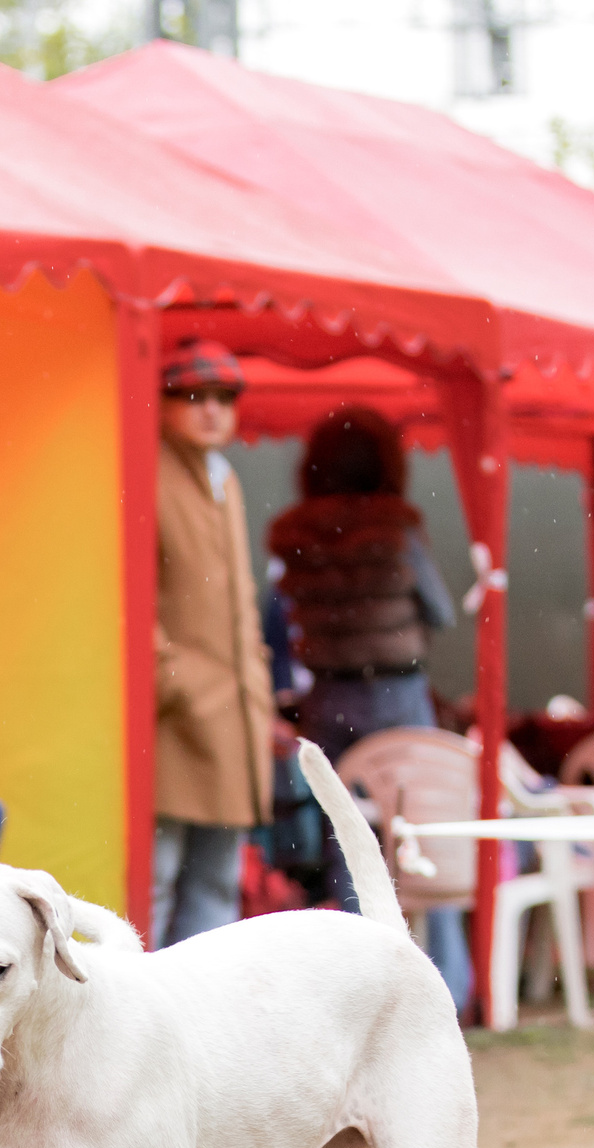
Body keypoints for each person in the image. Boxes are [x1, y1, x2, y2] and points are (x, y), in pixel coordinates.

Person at [149, 339, 276, 946]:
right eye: (193, 395)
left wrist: (256, 688)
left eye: (225, 397)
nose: (212, 409)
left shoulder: (224, 478)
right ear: (163, 402)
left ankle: (200, 1006)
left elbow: (241, 600)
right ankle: (135, 1001)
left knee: (217, 880)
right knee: (157, 877)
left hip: (230, 713)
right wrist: (174, 681)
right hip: (171, 717)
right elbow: (127, 593)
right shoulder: (147, 472)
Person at [269, 405, 456, 763]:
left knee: (333, 793)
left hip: (327, 696)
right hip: (396, 695)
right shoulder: (397, 528)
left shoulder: (297, 533)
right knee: (410, 790)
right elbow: (440, 611)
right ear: (387, 463)